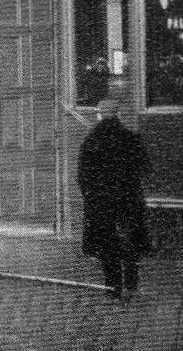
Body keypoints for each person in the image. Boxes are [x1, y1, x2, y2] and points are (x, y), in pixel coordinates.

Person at [77, 98, 151, 302]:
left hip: (102, 203)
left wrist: (93, 199)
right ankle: (132, 285)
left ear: (99, 115)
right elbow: (145, 168)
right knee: (131, 243)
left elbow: (83, 179)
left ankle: (113, 288)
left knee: (107, 245)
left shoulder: (90, 142)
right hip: (129, 200)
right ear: (118, 114)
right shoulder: (132, 138)